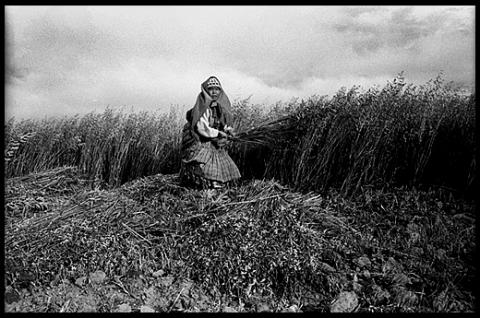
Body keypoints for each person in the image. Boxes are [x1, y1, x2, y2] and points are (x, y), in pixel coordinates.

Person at [179, 76, 241, 189]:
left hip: (211, 136)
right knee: (206, 157)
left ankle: (219, 182)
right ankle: (209, 181)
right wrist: (219, 133)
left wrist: (228, 130)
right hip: (199, 137)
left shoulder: (219, 107)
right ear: (206, 90)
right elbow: (201, 127)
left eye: (217, 89)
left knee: (221, 156)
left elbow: (222, 123)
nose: (214, 92)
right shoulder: (204, 107)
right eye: (211, 89)